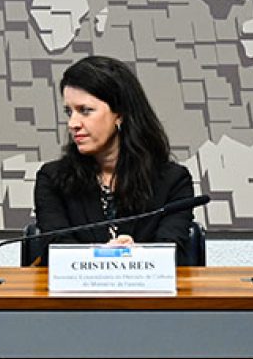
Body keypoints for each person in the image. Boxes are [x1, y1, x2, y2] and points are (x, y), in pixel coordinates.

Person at [34, 55, 196, 264]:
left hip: (148, 295)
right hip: (77, 296)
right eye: (69, 112)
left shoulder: (173, 181)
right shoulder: (53, 179)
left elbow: (172, 253)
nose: (72, 123)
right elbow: (56, 251)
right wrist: (105, 256)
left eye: (85, 111)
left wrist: (134, 255)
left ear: (120, 114)